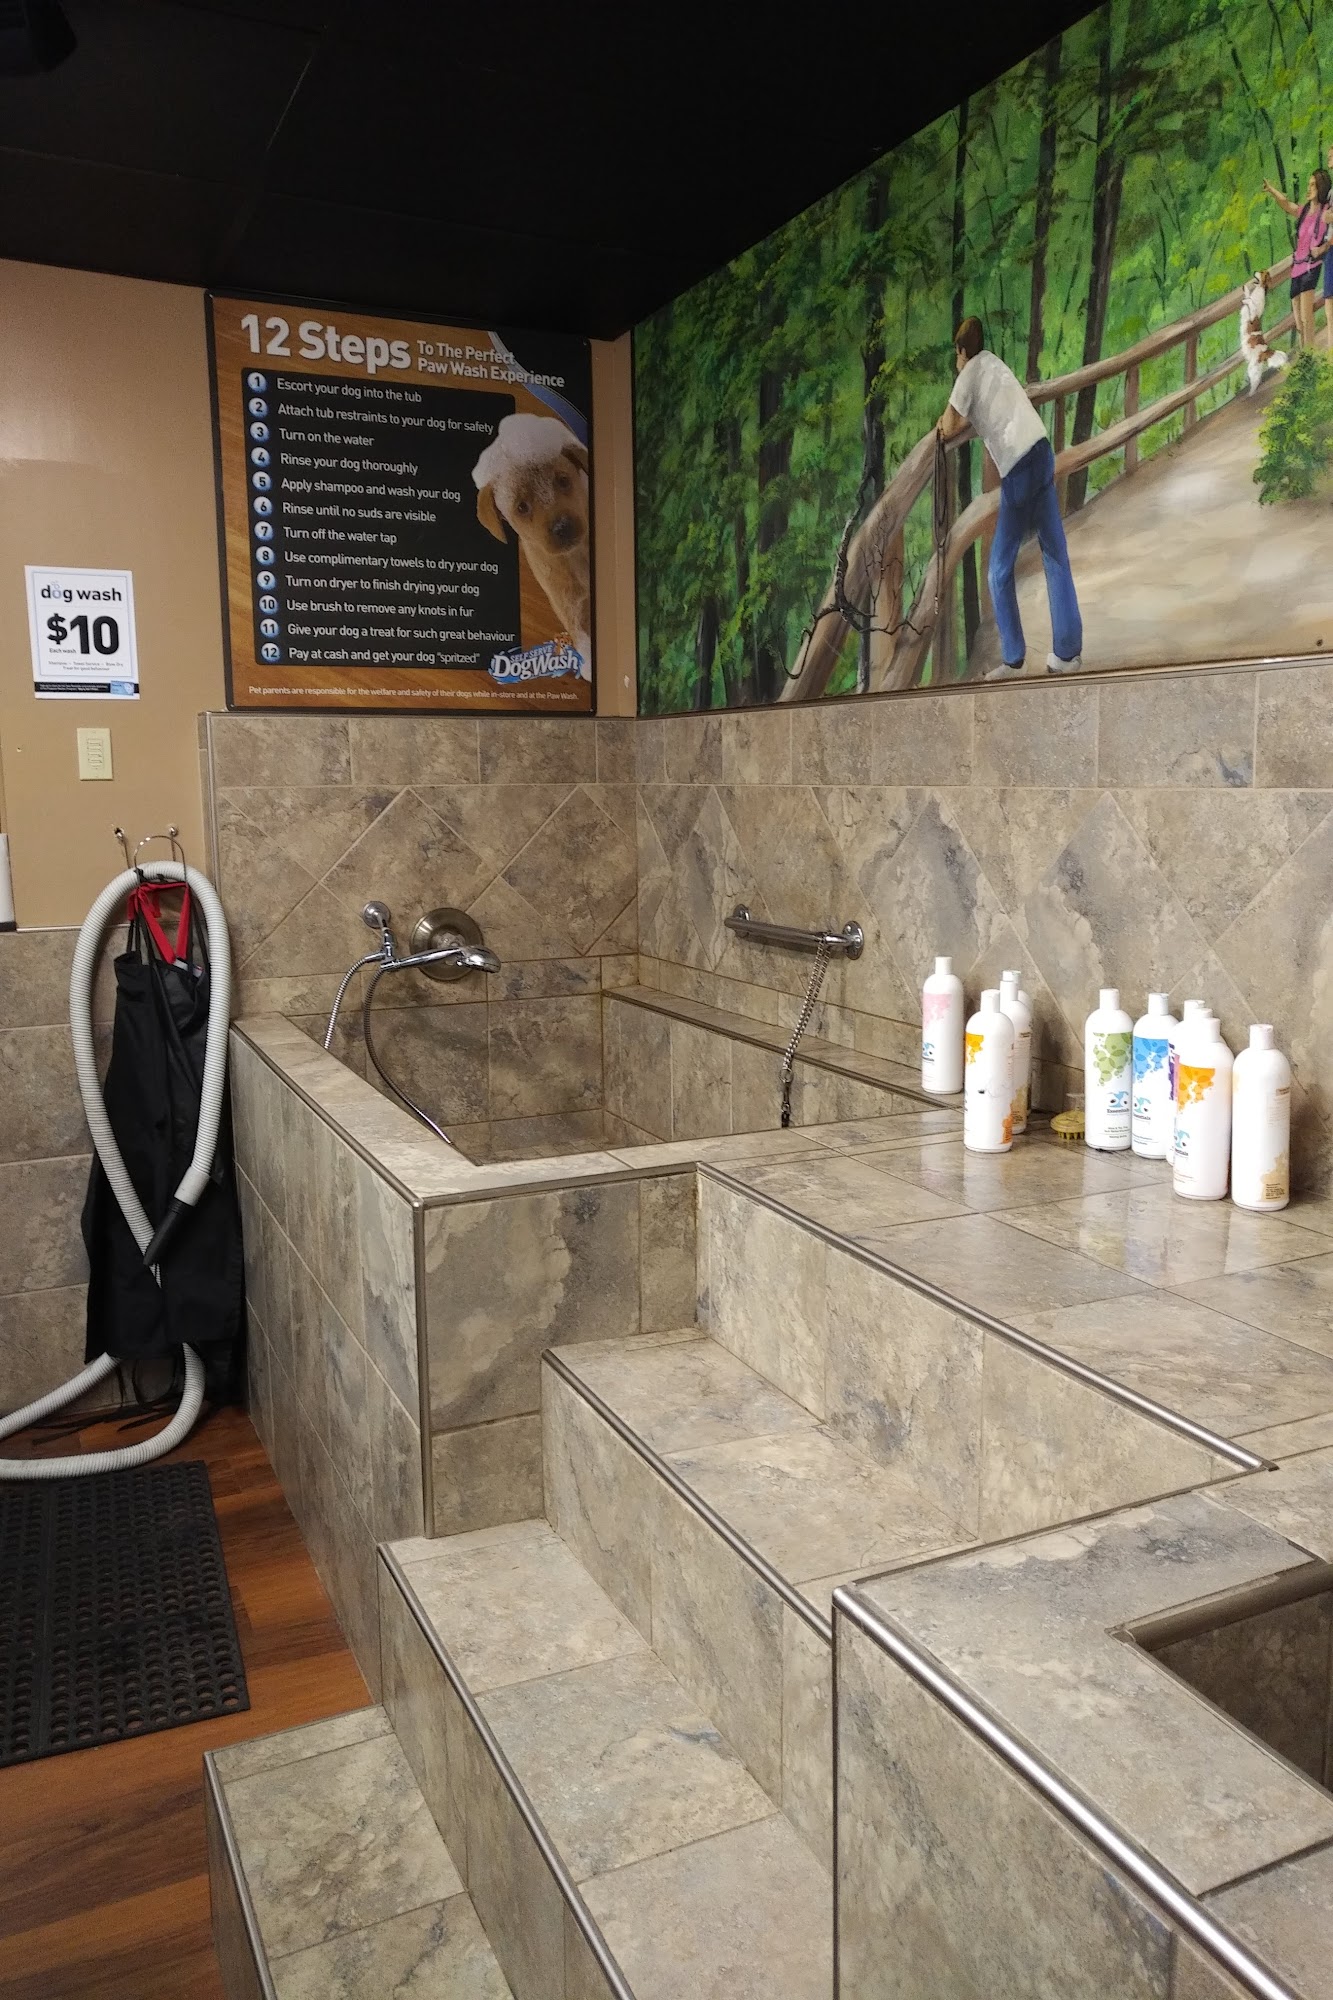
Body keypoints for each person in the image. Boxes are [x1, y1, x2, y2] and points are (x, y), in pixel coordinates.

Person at [937, 316, 1083, 678]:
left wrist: (946, 417)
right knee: (1055, 553)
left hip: (1018, 467)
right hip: (1041, 450)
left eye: (957, 354)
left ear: (961, 350)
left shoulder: (968, 372)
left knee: (999, 570)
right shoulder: (994, 363)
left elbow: (949, 426)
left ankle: (1014, 658)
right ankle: (1067, 653)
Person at [1261, 168, 1330, 350]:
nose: (1309, 188)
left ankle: (1309, 356)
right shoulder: (1305, 211)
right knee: (1298, 321)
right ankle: (1305, 353)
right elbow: (1286, 204)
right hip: (1297, 268)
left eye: (1313, 185)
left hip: (1311, 266)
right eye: (1309, 185)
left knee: (1307, 318)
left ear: (1321, 187)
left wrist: (1323, 248)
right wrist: (1272, 190)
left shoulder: (1325, 212)